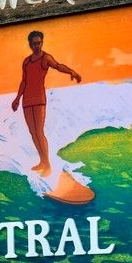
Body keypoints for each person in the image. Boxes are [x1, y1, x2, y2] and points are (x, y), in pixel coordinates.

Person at [10, 30, 81, 174]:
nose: (37, 46)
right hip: (26, 100)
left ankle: (47, 164)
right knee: (32, 132)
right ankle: (42, 161)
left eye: (39, 43)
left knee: (39, 131)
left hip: (39, 99)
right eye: (34, 43)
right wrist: (17, 98)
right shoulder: (27, 61)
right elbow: (24, 81)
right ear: (30, 44)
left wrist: (72, 71)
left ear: (42, 43)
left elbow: (58, 66)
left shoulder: (45, 58)